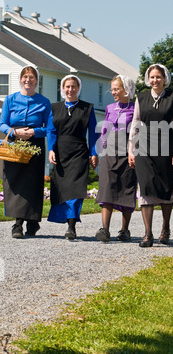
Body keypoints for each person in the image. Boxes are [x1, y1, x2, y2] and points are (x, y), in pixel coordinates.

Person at [129, 64, 173, 247]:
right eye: (152, 77)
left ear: (165, 78)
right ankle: (147, 234)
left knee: (166, 188)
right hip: (144, 148)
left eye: (158, 77)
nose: (155, 80)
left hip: (166, 149)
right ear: (148, 79)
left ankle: (165, 228)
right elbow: (135, 122)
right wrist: (131, 149)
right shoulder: (141, 97)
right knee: (145, 187)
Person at [0, 65, 51, 238]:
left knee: (32, 184)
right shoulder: (10, 99)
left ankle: (31, 221)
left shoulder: (44, 102)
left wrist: (34, 132)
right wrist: (15, 132)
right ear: (20, 79)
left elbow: (49, 128)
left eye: (31, 77)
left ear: (37, 80)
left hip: (34, 145)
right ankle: (18, 223)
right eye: (25, 77)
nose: (28, 80)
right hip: (14, 143)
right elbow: (2, 123)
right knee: (15, 183)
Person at [47, 74, 99, 240]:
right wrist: (51, 149)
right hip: (61, 153)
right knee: (62, 188)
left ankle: (71, 225)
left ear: (78, 88)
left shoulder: (87, 108)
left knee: (76, 189)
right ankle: (67, 220)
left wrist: (94, 152)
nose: (70, 89)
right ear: (63, 88)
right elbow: (51, 130)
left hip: (79, 152)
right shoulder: (54, 108)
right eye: (67, 86)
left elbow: (93, 133)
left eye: (73, 86)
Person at [95, 75, 137, 242]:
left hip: (129, 151)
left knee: (127, 187)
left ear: (126, 89)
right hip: (109, 151)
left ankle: (124, 230)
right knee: (106, 187)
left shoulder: (135, 108)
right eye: (111, 89)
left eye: (116, 89)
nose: (113, 92)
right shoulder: (109, 108)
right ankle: (104, 229)